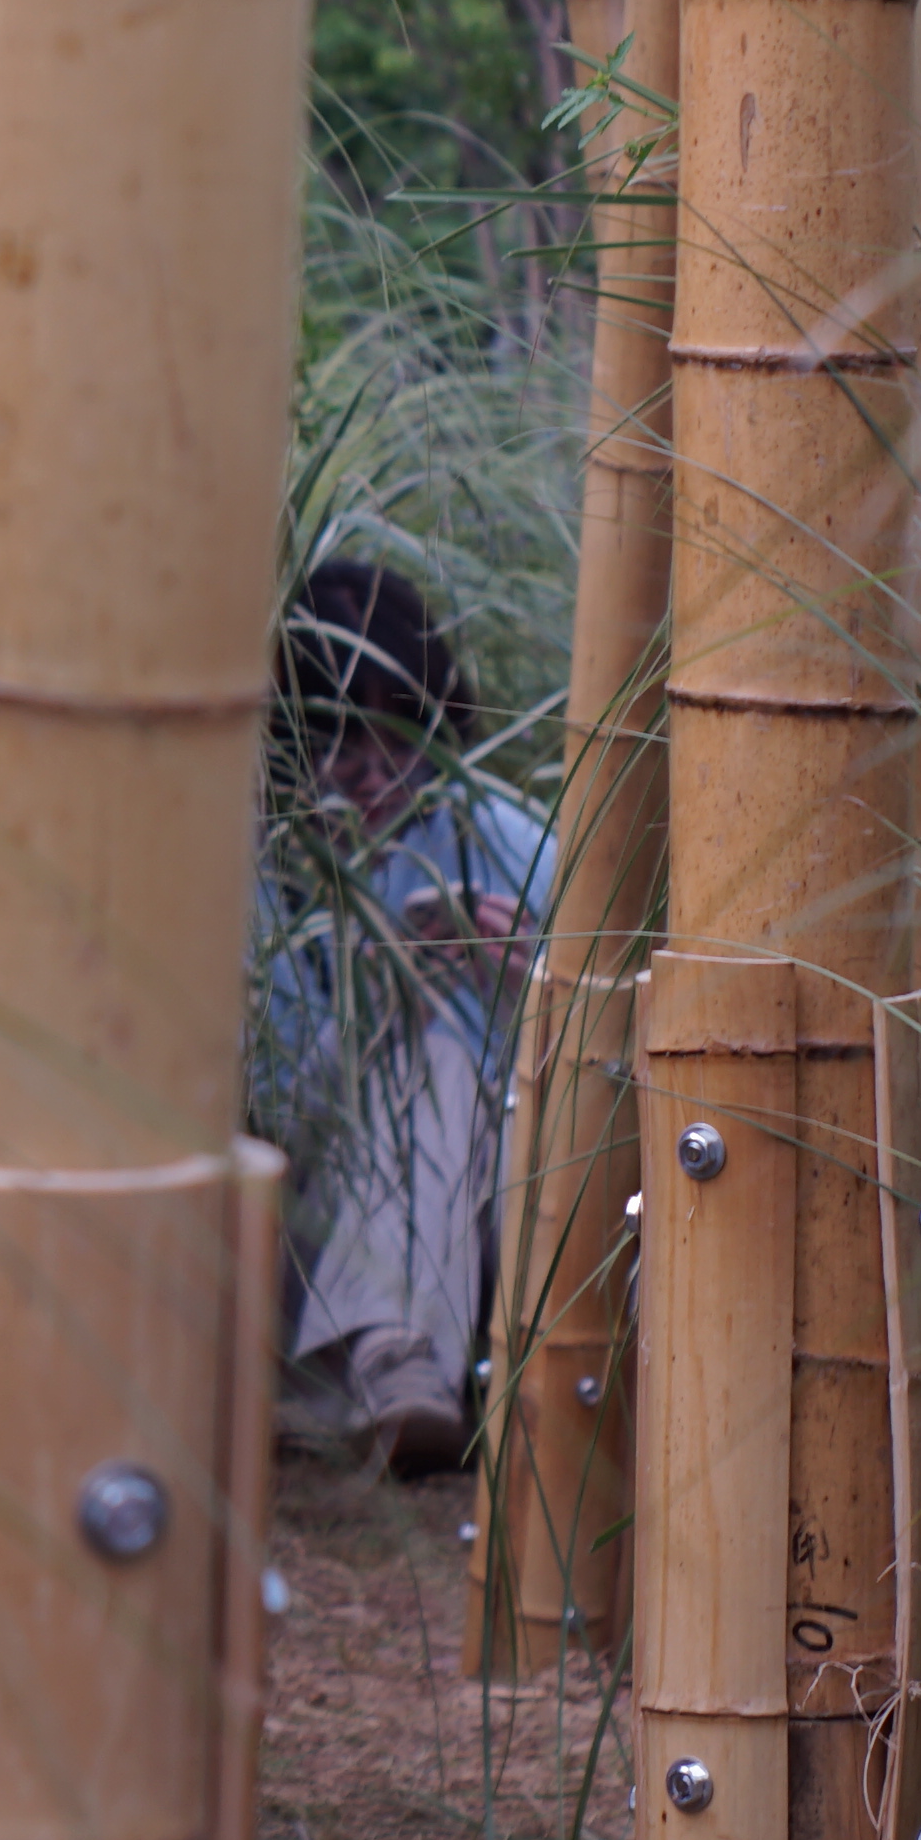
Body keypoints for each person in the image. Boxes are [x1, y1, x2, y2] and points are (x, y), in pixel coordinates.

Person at [255, 553, 550, 1480]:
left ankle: (405, 1363)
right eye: (341, 741)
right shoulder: (258, 875)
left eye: (400, 735)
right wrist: (375, 995)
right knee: (426, 1058)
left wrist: (542, 993)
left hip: (505, 1230)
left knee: (450, 1066)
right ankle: (394, 1356)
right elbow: (261, 1126)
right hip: (307, 1234)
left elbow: (612, 1072)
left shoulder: (507, 842)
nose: (375, 772)